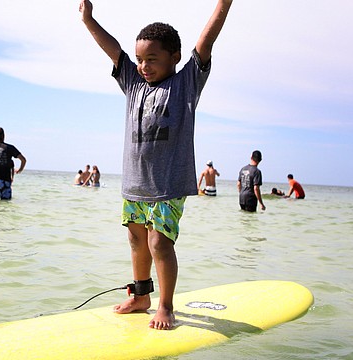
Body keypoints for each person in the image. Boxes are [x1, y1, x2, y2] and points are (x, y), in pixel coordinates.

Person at [80, 0, 232, 330]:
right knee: (136, 240)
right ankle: (141, 295)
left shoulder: (185, 83)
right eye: (140, 59)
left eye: (152, 58)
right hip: (134, 184)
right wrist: (88, 20)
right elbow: (113, 51)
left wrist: (224, 4)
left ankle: (166, 305)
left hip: (168, 185)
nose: (143, 66)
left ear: (174, 58)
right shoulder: (133, 84)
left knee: (159, 243)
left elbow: (205, 43)